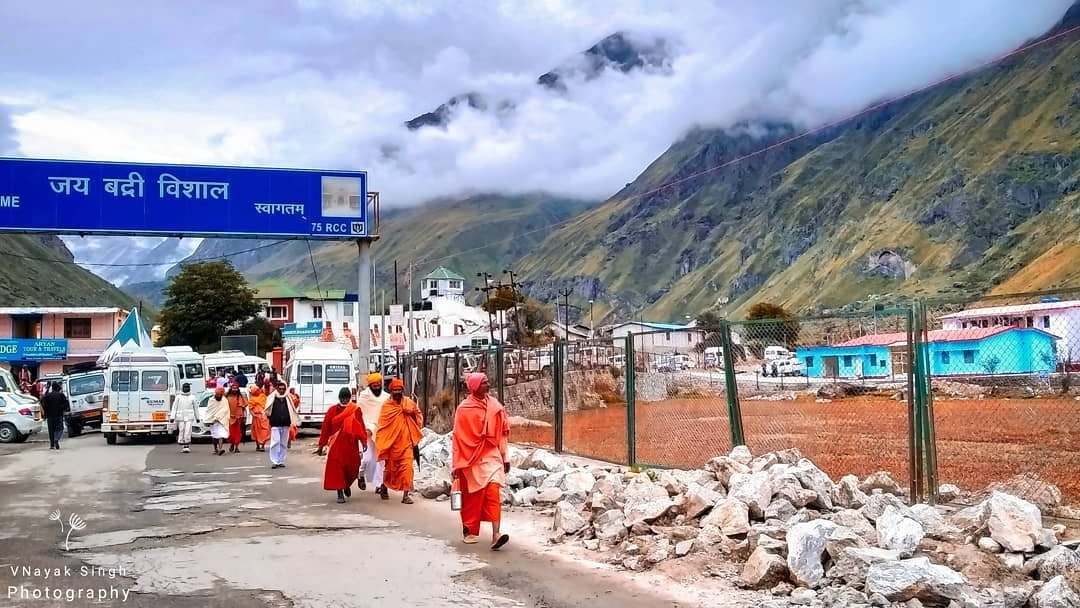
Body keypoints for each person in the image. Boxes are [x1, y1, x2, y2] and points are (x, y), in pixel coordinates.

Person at [452, 372, 511, 550]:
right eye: (484, 383)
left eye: (487, 381)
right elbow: (458, 438)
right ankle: (469, 530)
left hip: (491, 456)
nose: (488, 384)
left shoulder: (495, 406)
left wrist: (505, 456)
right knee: (473, 498)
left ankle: (496, 534)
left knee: (494, 493)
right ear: (475, 387)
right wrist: (456, 464)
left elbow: (502, 433)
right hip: (470, 460)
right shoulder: (463, 409)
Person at [375, 378, 423, 504]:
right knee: (390, 470)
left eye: (399, 390)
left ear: (402, 391)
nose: (397, 392)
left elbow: (418, 416)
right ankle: (384, 486)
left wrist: (411, 413)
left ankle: (406, 495)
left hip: (406, 444)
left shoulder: (408, 403)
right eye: (395, 390)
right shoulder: (387, 406)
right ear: (391, 391)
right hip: (392, 445)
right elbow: (382, 426)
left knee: (408, 469)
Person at [317, 387, 368, 504]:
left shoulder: (355, 410)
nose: (345, 400)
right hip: (336, 445)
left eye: (347, 398)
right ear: (339, 398)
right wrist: (321, 445)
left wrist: (364, 441)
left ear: (350, 398)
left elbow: (361, 426)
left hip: (351, 445)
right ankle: (340, 492)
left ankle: (346, 485)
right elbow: (325, 429)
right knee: (336, 469)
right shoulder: (332, 410)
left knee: (352, 468)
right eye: (342, 398)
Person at [356, 372, 389, 494]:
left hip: (381, 431)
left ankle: (379, 484)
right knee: (367, 459)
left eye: (378, 384)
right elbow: (359, 414)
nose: (376, 387)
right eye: (374, 385)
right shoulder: (364, 397)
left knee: (381, 460)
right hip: (368, 431)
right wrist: (366, 428)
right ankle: (360, 475)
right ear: (370, 385)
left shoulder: (386, 397)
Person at [266, 381, 299, 469]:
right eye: (280, 389)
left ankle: (281, 461)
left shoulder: (288, 398)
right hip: (275, 424)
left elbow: (295, 404)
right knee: (275, 442)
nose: (281, 390)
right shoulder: (272, 397)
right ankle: (275, 461)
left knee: (283, 443)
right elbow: (267, 410)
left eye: (283, 389)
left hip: (285, 424)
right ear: (277, 389)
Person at [40, 381, 70, 450]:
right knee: (60, 428)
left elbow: (43, 404)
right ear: (58, 388)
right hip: (58, 415)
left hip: (49, 416)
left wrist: (45, 414)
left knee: (51, 430)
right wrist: (62, 409)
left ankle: (52, 445)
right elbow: (66, 404)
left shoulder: (47, 396)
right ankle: (57, 438)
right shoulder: (61, 395)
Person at [170, 383, 199, 453]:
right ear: (182, 388)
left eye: (187, 387)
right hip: (180, 417)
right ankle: (182, 444)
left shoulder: (192, 397)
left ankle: (186, 446)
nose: (186, 389)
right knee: (182, 430)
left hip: (189, 417)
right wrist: (172, 417)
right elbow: (174, 408)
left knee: (188, 430)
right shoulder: (178, 397)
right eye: (185, 387)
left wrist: (197, 417)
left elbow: (196, 408)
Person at [205, 387, 231, 455]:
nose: (218, 395)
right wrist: (209, 419)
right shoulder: (211, 400)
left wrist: (218, 417)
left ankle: (220, 449)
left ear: (222, 394)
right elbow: (209, 411)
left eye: (220, 394)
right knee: (214, 436)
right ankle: (215, 449)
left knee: (220, 435)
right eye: (217, 394)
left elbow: (225, 410)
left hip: (221, 421)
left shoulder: (225, 400)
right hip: (213, 421)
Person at [225, 382, 248, 453]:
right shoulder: (227, 397)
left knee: (238, 433)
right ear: (231, 389)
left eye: (236, 388)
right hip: (229, 418)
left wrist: (244, 417)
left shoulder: (241, 397)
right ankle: (232, 444)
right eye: (233, 388)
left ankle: (237, 447)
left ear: (238, 389)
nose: (234, 390)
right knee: (231, 434)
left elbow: (244, 408)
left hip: (239, 418)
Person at [247, 385, 271, 452]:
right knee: (256, 431)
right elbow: (250, 409)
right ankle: (258, 446)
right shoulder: (252, 399)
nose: (258, 391)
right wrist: (253, 415)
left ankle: (262, 446)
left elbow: (268, 405)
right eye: (256, 390)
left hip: (264, 417)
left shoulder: (263, 396)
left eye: (258, 390)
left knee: (265, 430)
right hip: (256, 417)